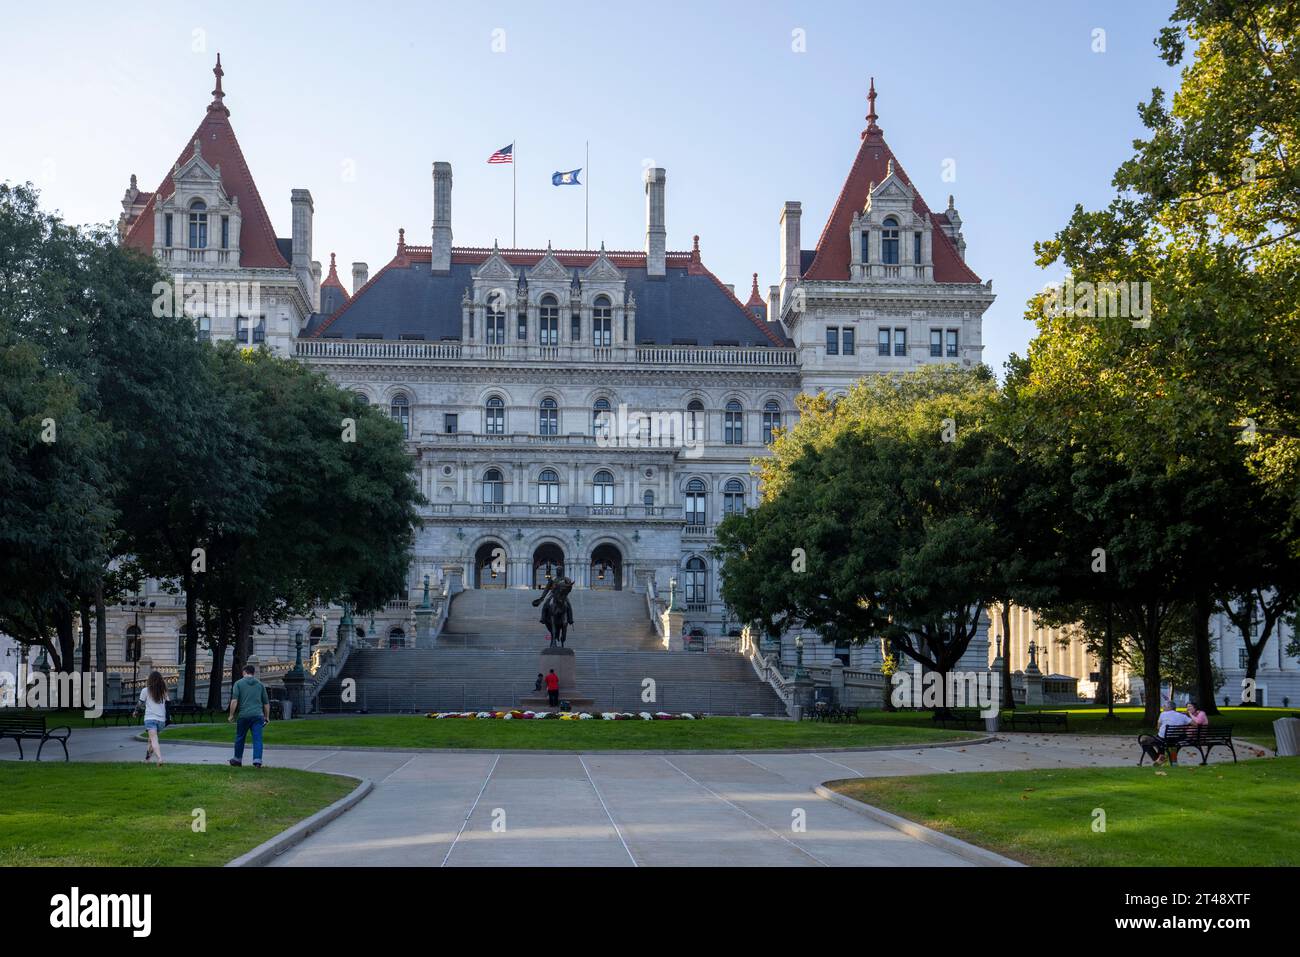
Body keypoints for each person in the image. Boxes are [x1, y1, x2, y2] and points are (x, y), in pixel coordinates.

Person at [228, 663, 270, 768]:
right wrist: (267, 717)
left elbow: (234, 701)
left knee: (240, 737)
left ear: (244, 672)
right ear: (253, 673)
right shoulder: (260, 685)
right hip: (258, 715)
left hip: (243, 715)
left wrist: (231, 715)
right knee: (257, 739)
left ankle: (237, 759)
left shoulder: (238, 683)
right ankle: (257, 760)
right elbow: (266, 703)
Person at [134, 670, 168, 767]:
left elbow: (140, 703)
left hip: (150, 718)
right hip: (161, 720)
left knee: (153, 740)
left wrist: (135, 712)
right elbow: (168, 704)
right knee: (151, 740)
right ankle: (147, 759)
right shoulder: (164, 691)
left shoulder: (145, 690)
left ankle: (160, 758)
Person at [1152, 701, 1193, 766]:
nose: (1163, 707)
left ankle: (1159, 758)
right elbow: (1195, 724)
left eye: (1164, 706)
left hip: (1164, 739)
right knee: (1171, 745)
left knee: (1144, 740)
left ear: (1169, 707)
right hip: (1177, 739)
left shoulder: (1163, 714)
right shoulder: (1182, 716)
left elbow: (1158, 727)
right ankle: (1167, 759)